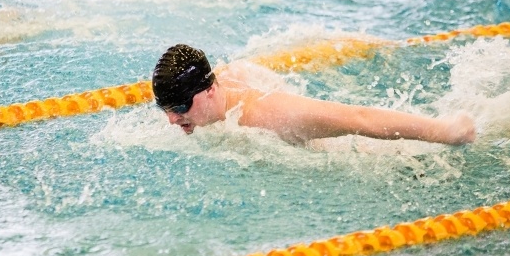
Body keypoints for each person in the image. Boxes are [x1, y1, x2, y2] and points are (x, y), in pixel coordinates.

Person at [152, 44, 476, 146]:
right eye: (164, 108)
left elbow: (357, 118)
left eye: (179, 107)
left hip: (371, 156)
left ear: (209, 90)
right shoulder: (226, 81)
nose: (171, 119)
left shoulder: (265, 115)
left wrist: (444, 131)